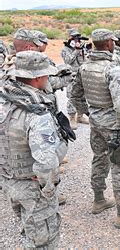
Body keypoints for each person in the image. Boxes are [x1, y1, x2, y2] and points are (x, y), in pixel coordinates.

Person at [71, 29, 120, 228]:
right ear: (110, 43)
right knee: (119, 167)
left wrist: (89, 112)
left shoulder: (84, 67)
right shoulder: (111, 69)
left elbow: (74, 95)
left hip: (96, 123)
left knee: (99, 158)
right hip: (114, 127)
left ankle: (99, 199)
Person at [0, 51, 67, 248]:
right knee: (44, 241)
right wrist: (48, 190)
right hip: (32, 188)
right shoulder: (37, 113)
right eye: (46, 75)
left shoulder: (5, 101)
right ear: (38, 78)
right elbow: (46, 162)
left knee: (28, 230)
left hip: (10, 182)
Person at [61, 29, 90, 129]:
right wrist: (76, 51)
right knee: (72, 96)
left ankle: (80, 116)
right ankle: (72, 117)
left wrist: (84, 51)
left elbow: (85, 61)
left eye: (78, 39)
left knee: (82, 96)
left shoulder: (81, 48)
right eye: (75, 39)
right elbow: (68, 61)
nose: (77, 41)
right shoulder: (65, 49)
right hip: (71, 75)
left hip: (81, 74)